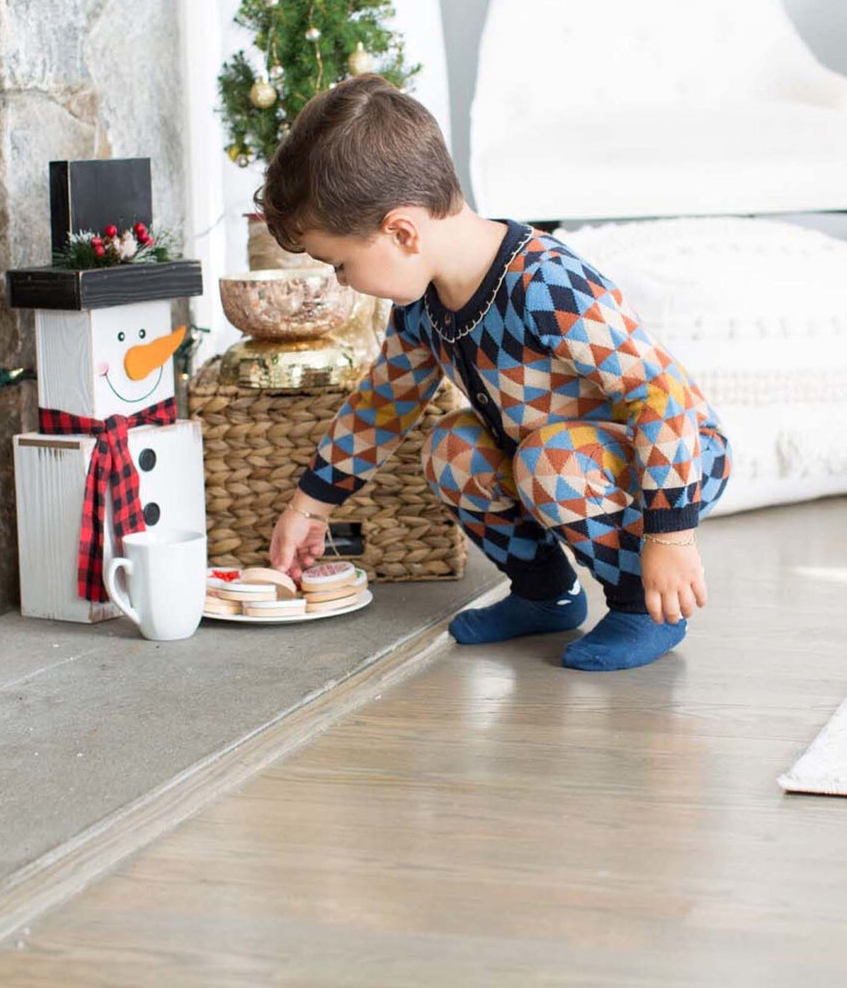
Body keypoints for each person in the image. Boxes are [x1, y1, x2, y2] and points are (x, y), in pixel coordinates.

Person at [263, 75, 731, 671]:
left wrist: (671, 536)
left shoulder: (546, 286)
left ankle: (641, 604)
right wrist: (311, 506)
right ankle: (545, 595)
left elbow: (660, 393)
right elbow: (384, 404)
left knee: (548, 459)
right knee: (451, 447)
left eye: (341, 264)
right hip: (560, 462)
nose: (342, 282)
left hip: (675, 459)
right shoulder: (419, 304)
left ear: (402, 231)